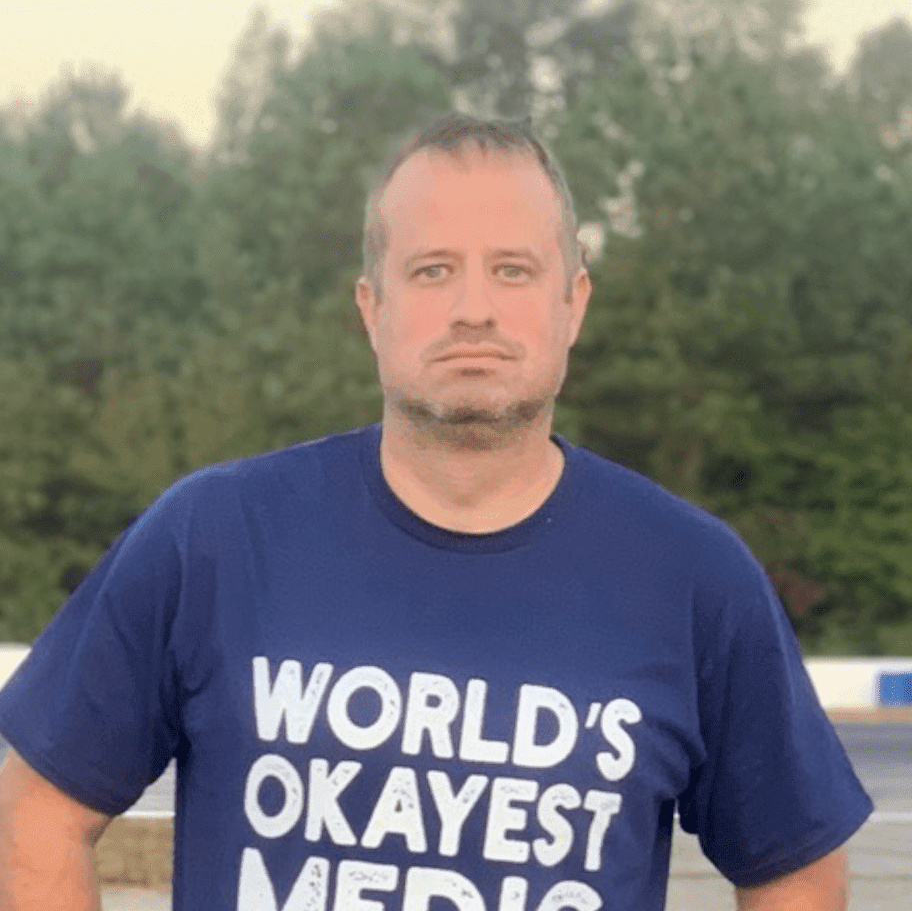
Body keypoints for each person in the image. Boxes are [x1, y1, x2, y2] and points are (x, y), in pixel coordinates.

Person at [0, 114, 872, 911]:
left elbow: (795, 869)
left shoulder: (693, 579)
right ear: (371, 308)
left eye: (513, 270)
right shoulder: (212, 539)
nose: (474, 309)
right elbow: (35, 820)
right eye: (432, 271)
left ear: (574, 304)